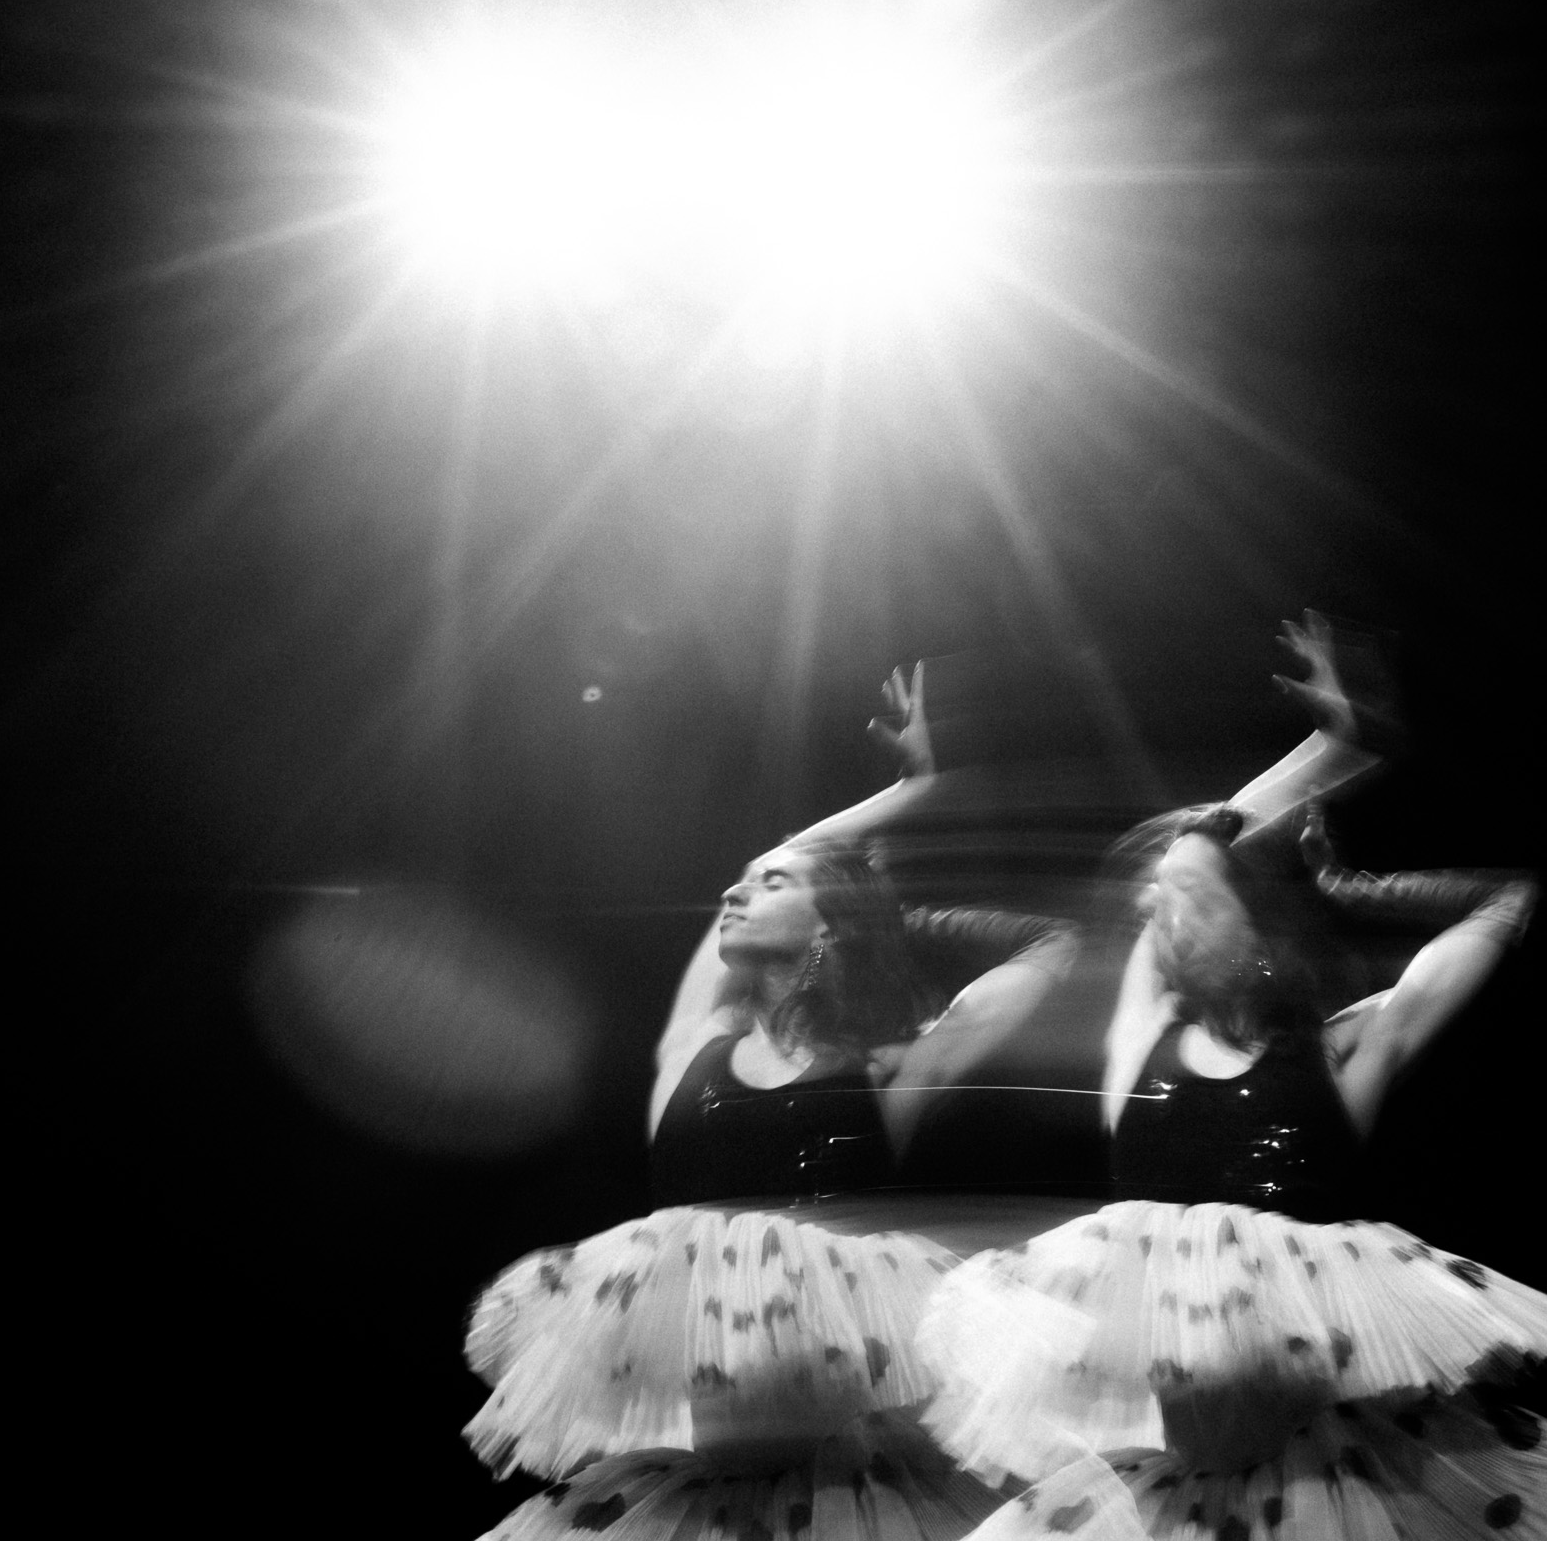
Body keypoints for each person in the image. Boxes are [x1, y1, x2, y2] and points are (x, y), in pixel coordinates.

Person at [916, 617, 1547, 1539]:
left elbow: (1510, 900)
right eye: (1156, 899)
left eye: (1191, 898)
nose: (1160, 912)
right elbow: (1208, 841)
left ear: (1256, 922)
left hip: (1333, 1488)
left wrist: (1356, 890)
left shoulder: (1343, 1051)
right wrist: (1335, 750)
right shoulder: (1141, 1038)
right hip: (1173, 1488)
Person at [463, 662, 1086, 1541]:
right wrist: (907, 794)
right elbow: (776, 874)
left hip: (852, 1497)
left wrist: (897, 923)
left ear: (831, 923)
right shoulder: (697, 1041)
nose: (734, 891)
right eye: (745, 882)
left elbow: (1053, 944)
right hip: (696, 1489)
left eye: (771, 886)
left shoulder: (893, 1070)